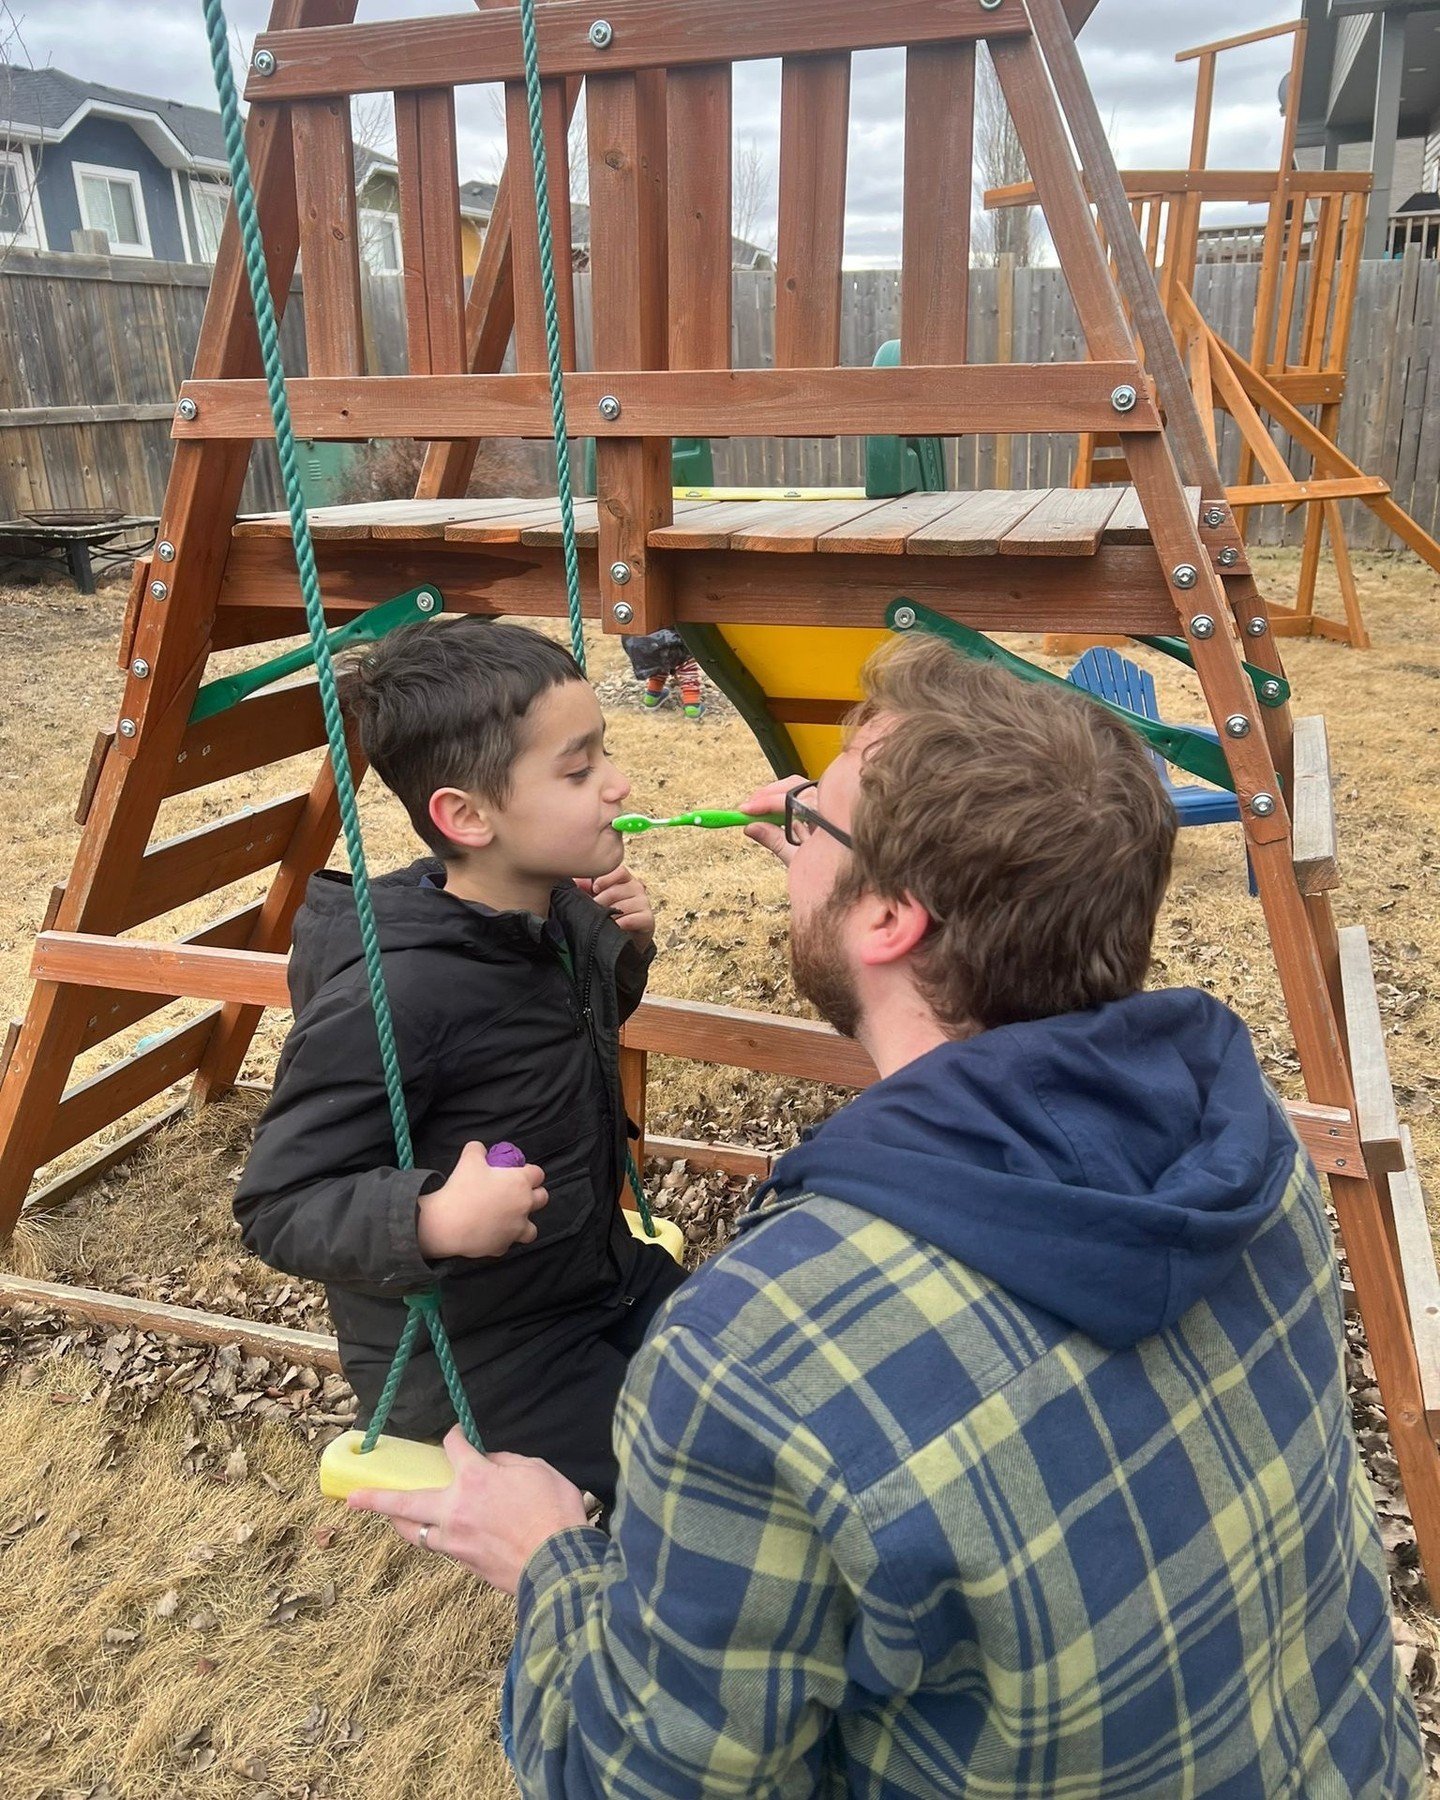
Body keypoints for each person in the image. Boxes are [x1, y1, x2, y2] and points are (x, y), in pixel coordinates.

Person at [350, 636, 1424, 1798]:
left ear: (895, 921)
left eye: (818, 809)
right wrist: (838, 882)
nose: (789, 807)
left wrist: (552, 1555)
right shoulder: (1242, 1140)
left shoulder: (754, 1352)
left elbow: (637, 1778)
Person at [234, 617, 688, 1507]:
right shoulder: (398, 997)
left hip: (594, 1273)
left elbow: (557, 1040)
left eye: (605, 755)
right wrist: (432, 1221)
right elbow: (275, 1205)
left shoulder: (551, 909)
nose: (618, 785)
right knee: (702, 1471)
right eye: (579, 768)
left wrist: (617, 951)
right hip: (479, 1356)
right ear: (467, 816)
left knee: (768, 1383)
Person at [620, 626, 704, 718]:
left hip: (637, 642)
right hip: (671, 641)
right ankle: (692, 705)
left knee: (658, 660)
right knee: (685, 662)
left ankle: (652, 697)